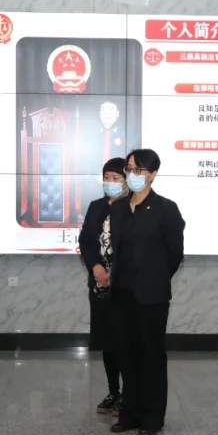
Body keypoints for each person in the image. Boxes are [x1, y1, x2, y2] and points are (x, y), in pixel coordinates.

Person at [108, 149, 185, 435]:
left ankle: (152, 417)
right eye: (129, 169)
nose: (132, 174)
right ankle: (129, 413)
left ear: (152, 174)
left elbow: (175, 254)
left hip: (151, 295)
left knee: (151, 355)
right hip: (122, 293)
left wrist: (155, 277)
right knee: (126, 354)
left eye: (138, 170)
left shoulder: (166, 209)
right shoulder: (118, 208)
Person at [79, 157, 128, 415]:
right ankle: (113, 391)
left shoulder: (133, 206)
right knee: (108, 342)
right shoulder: (96, 206)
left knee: (126, 342)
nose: (110, 182)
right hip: (100, 285)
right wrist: (95, 267)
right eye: (107, 177)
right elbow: (86, 240)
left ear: (127, 180)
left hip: (126, 286)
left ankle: (129, 394)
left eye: (116, 178)